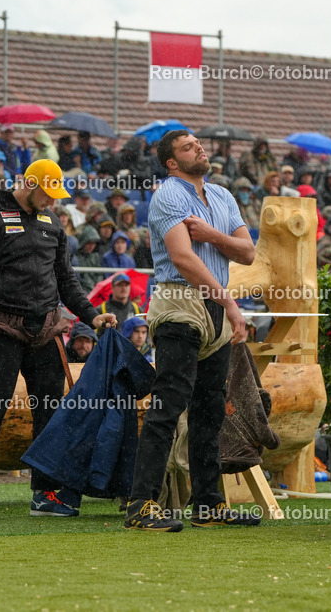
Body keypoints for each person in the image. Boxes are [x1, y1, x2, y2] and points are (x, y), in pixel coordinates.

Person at [0, 159, 117, 521]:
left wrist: (92, 315)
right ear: (29, 183)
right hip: (0, 327)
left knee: (51, 413)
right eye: (48, 194)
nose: (52, 202)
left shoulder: (52, 223)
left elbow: (67, 282)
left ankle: (44, 492)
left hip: (46, 330)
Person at [125, 129, 256, 532]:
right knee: (169, 405)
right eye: (187, 147)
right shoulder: (168, 194)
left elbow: (248, 252)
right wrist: (230, 302)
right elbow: (182, 257)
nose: (198, 147)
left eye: (197, 143)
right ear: (172, 163)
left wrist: (212, 235)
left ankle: (208, 504)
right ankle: (140, 505)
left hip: (211, 304)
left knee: (210, 410)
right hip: (180, 303)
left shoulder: (222, 196)